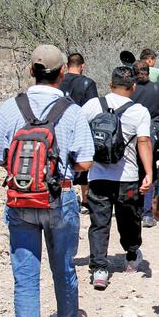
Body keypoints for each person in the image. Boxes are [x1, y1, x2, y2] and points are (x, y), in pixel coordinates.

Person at [0, 45, 92, 317]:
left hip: (20, 201)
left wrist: (24, 174)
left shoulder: (10, 108)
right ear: (62, 74)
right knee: (63, 266)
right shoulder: (71, 111)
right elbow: (85, 161)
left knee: (25, 279)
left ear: (31, 71)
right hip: (59, 199)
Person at [81, 66, 154, 290]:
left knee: (99, 222)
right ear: (133, 86)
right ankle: (131, 255)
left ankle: (100, 269)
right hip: (128, 177)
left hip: (98, 175)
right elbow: (144, 142)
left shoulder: (93, 105)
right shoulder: (139, 111)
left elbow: (81, 134)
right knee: (129, 218)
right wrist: (149, 172)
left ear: (110, 84)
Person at [131, 60, 159, 226]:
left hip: (132, 134)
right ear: (149, 71)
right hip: (153, 134)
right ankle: (147, 212)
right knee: (151, 173)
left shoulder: (130, 89)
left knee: (134, 171)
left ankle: (134, 210)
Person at [59, 53, 99, 211]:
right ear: (82, 65)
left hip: (59, 124)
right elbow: (94, 106)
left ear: (67, 65)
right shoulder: (88, 83)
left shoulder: (58, 81)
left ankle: (64, 191)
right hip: (81, 124)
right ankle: (85, 199)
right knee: (82, 159)